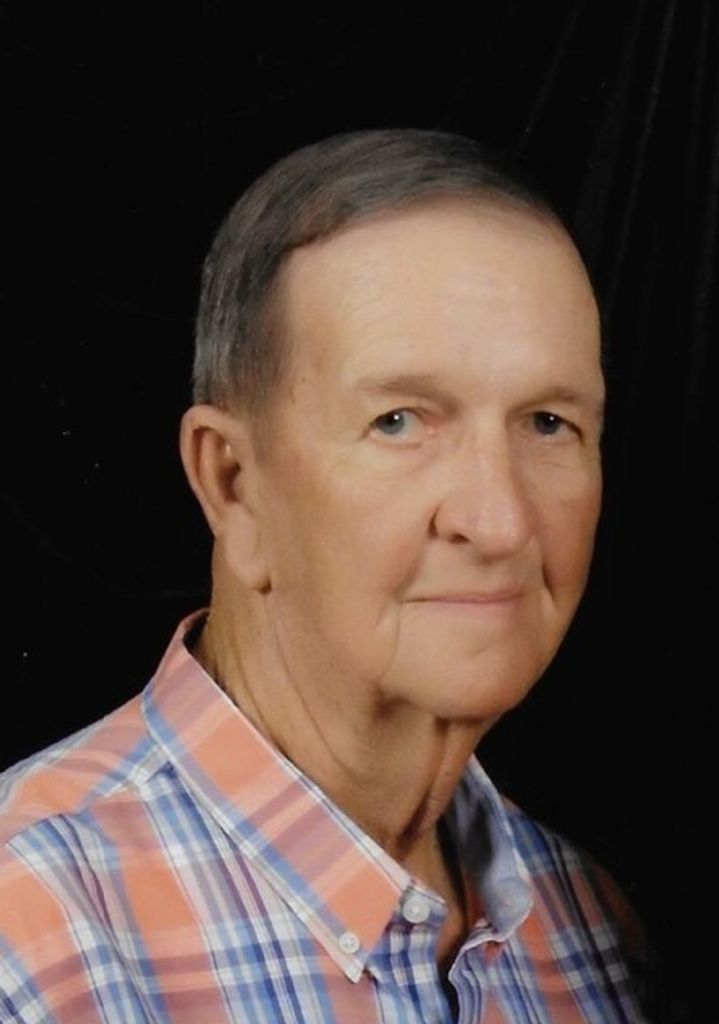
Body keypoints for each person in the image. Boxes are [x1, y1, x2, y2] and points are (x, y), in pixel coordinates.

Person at [0, 130, 650, 1022]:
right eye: (399, 421)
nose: (501, 522)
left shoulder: (593, 931)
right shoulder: (30, 931)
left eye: (548, 422)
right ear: (233, 484)